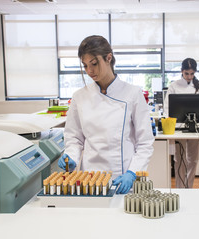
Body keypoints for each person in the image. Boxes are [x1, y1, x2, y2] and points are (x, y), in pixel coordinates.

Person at [57, 35, 154, 194]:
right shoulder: (79, 97)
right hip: (90, 180)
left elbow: (145, 142)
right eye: (85, 65)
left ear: (109, 58)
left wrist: (133, 173)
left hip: (123, 179)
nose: (89, 71)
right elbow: (74, 137)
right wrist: (71, 157)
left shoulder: (132, 93)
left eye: (94, 64)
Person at [163, 58, 199, 188]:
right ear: (182, 71)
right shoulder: (174, 86)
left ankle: (189, 187)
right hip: (178, 129)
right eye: (186, 73)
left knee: (193, 160)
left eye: (192, 74)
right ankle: (180, 188)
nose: (189, 76)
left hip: (195, 128)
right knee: (179, 160)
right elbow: (167, 108)